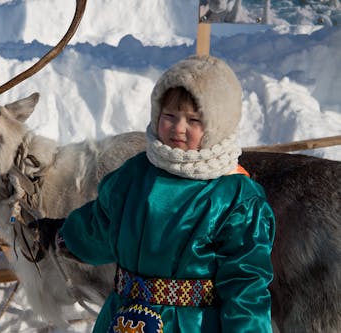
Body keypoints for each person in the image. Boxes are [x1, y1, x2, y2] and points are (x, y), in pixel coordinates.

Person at [34, 55, 275, 333]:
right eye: (169, 116)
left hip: (191, 324)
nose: (178, 127)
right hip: (122, 319)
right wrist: (63, 235)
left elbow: (245, 285)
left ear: (217, 125)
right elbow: (102, 224)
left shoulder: (235, 198)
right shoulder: (135, 174)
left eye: (193, 120)